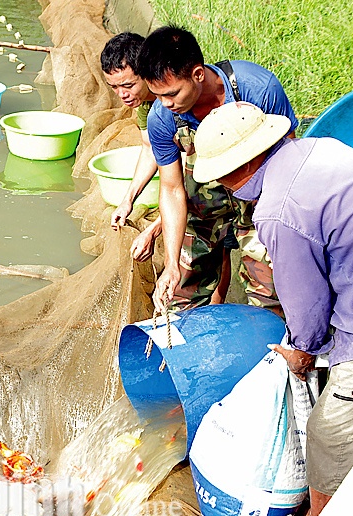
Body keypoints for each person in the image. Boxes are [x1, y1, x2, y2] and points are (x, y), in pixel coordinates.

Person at [191, 101, 353, 516]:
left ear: (241, 167)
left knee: (331, 436)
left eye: (220, 173)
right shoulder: (320, 148)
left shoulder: (278, 210)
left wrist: (300, 351)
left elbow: (306, 309)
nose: (219, 182)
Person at [136, 25, 297, 313]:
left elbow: (290, 159)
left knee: (274, 296)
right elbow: (172, 189)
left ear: (197, 74)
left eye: (172, 93)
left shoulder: (257, 89)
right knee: (179, 297)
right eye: (157, 95)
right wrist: (171, 263)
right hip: (203, 208)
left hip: (259, 202)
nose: (165, 103)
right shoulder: (162, 118)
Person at [100, 32, 163, 262]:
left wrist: (154, 230)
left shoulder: (173, 104)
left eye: (128, 85)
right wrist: (127, 201)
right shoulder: (146, 105)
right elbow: (150, 149)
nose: (122, 95)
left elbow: (188, 183)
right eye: (114, 87)